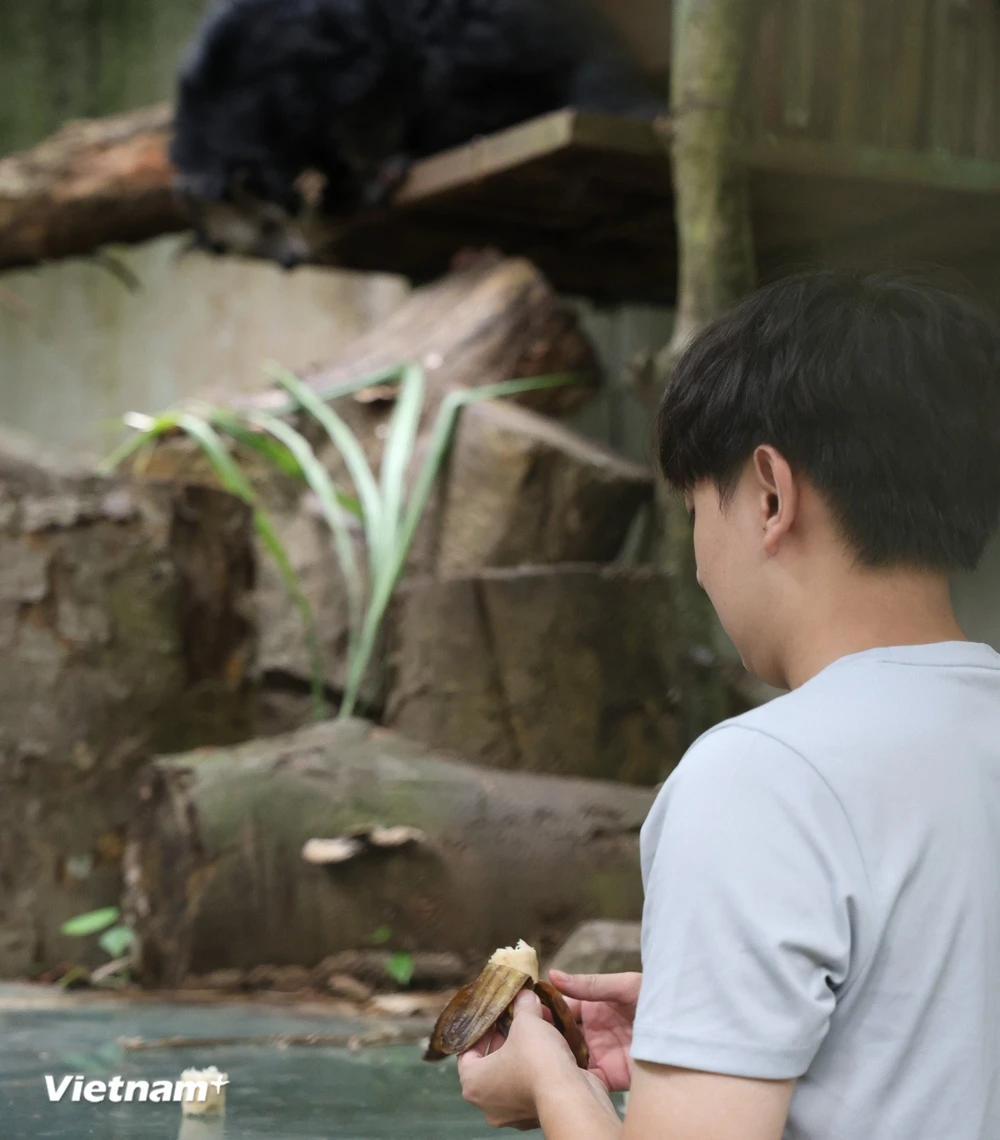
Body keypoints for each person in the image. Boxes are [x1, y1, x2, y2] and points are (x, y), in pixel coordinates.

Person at [456, 270, 1000, 1139]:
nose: (703, 563)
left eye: (697, 510)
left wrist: (557, 1086)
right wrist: (711, 1029)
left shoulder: (762, 777)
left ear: (770, 494)